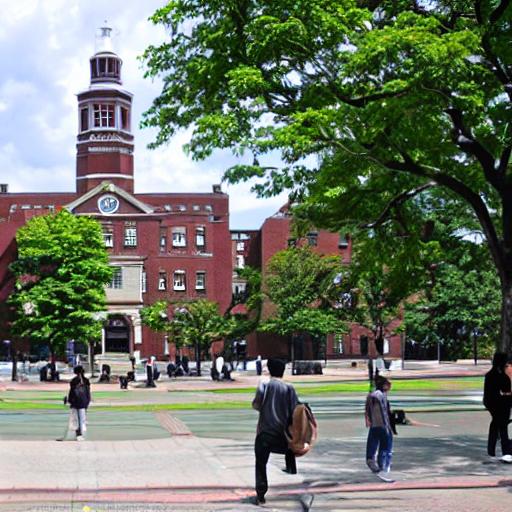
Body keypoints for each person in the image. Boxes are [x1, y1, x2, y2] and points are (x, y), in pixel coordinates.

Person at [252, 358, 298, 505]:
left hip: (265, 432)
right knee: (287, 448)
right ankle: (290, 463)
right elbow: (295, 410)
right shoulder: (289, 388)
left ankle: (261, 493)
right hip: (283, 434)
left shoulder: (264, 385)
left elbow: (256, 405)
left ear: (270, 370)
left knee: (261, 463)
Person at [365, 376, 396, 482]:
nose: (390, 386)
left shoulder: (373, 395)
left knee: (372, 446)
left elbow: (368, 411)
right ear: (384, 385)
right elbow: (384, 412)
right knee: (385, 448)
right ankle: (383, 468)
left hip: (374, 425)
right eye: (388, 384)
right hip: (382, 425)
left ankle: (372, 461)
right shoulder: (379, 396)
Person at [483, 352, 512, 462]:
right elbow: (506, 391)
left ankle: (491, 449)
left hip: (490, 402)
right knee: (502, 425)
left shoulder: (490, 375)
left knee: (496, 423)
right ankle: (506, 452)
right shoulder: (502, 376)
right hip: (500, 403)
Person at [65, 365, 91, 441]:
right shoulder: (86, 380)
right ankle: (81, 433)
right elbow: (88, 392)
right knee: (82, 418)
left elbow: (72, 392)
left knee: (76, 419)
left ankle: (78, 434)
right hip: (83, 401)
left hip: (75, 402)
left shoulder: (74, 381)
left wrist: (69, 400)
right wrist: (88, 400)